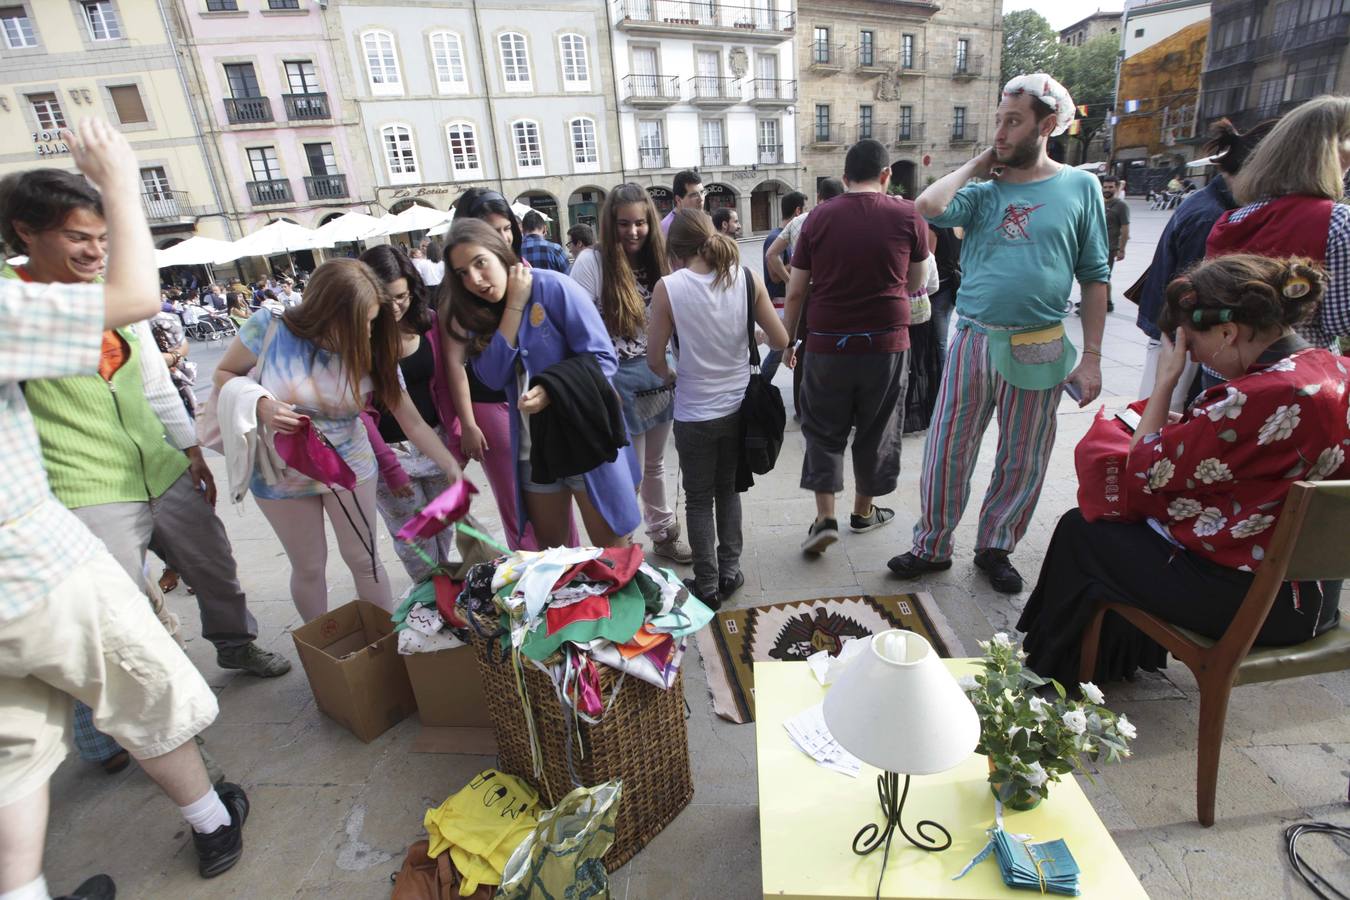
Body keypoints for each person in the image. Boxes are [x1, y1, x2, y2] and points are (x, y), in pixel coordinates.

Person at [0, 119, 248, 900]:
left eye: (102, 235)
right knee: (141, 683)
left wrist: (187, 449)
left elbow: (146, 379)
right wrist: (120, 176)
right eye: (78, 236)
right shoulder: (16, 303)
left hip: (143, 474)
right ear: (24, 237)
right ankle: (213, 819)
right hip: (46, 541)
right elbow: (136, 294)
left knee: (14, 753)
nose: (95, 249)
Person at [1018, 254, 1347, 686]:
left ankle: (1055, 676)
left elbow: (1143, 471)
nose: (1193, 355)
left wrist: (1166, 381)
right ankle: (1106, 662)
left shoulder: (1254, 395)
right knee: (1123, 535)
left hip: (1254, 605)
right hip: (1314, 598)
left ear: (1228, 333)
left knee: (1084, 530)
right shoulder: (1331, 367)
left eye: (1192, 344)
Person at [888, 73, 1110, 594]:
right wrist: (978, 162)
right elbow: (928, 207)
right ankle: (932, 545)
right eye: (998, 121)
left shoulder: (1082, 186)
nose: (1001, 132)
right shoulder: (984, 192)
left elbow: (1095, 275)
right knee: (946, 447)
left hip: (1040, 341)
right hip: (973, 337)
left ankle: (996, 546)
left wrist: (1094, 356)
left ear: (1047, 126)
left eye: (1013, 122)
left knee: (1024, 453)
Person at [213, 259, 463, 621]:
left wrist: (448, 464)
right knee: (310, 566)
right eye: (360, 321)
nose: (367, 331)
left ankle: (383, 650)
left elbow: (412, 420)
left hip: (351, 464)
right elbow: (224, 374)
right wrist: (261, 404)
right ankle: (323, 654)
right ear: (326, 310)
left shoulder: (374, 345)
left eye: (373, 321)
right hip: (282, 468)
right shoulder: (269, 327)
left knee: (364, 558)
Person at [443, 218, 641, 547]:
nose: (475, 280)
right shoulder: (481, 312)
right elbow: (491, 376)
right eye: (463, 273)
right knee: (554, 564)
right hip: (533, 452)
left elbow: (604, 358)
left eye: (480, 263)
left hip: (585, 439)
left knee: (615, 560)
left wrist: (552, 389)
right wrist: (514, 306)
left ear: (500, 251)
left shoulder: (553, 287)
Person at [782, 139, 929, 554]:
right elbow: (915, 283)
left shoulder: (817, 218)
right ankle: (863, 512)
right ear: (886, 175)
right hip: (886, 343)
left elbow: (795, 291)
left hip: (827, 344)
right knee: (877, 426)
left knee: (823, 428)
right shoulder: (907, 214)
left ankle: (825, 517)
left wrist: (788, 341)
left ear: (844, 178)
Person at [648, 210, 787, 606]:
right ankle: (730, 572)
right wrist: (748, 338)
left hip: (694, 413)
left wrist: (675, 377)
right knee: (728, 491)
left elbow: (655, 359)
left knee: (697, 498)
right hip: (738, 408)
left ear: (675, 251)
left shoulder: (668, 288)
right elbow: (780, 338)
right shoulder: (744, 278)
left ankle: (706, 586)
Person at [571, 184, 692, 563]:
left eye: (640, 222)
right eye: (624, 223)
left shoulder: (661, 256)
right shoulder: (592, 263)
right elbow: (576, 327)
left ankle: (663, 533)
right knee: (628, 473)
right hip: (614, 380)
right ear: (610, 223)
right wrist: (601, 385)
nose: (634, 231)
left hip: (658, 373)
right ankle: (622, 546)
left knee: (654, 464)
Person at [1135, 118, 1275, 410]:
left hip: (1182, 336)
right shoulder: (1211, 217)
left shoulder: (1211, 203)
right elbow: (1190, 294)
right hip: (1182, 339)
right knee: (1161, 418)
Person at [1206, 95, 1350, 353]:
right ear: (1334, 153)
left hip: (1228, 365)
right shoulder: (1337, 221)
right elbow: (1340, 321)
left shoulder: (1235, 217)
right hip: (1298, 373)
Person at [358, 245, 467, 582]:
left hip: (434, 439)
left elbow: (449, 383)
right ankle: (430, 597)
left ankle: (442, 593)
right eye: (384, 299)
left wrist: (456, 442)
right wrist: (388, 466)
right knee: (413, 540)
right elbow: (366, 412)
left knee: (442, 528)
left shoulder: (429, 323)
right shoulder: (360, 335)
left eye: (401, 296)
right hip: (388, 452)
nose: (394, 306)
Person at [441, 188, 540, 550]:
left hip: (536, 397)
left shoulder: (528, 273)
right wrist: (467, 424)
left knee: (552, 492)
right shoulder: (459, 292)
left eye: (505, 229)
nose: (500, 239)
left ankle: (568, 571)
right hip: (491, 404)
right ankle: (530, 578)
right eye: (488, 230)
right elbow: (454, 363)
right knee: (515, 498)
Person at [766, 178, 846, 418]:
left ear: (819, 197)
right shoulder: (846, 219)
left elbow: (772, 254)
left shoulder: (801, 221)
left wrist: (789, 278)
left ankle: (803, 408)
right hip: (837, 292)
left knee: (803, 348)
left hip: (806, 290)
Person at [759, 191, 806, 385]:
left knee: (781, 349)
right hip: (778, 302)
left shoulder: (784, 237)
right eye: (805, 209)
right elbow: (774, 276)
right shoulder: (775, 238)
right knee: (779, 349)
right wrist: (799, 261)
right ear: (798, 211)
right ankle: (760, 385)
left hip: (783, 301)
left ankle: (761, 385)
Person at [1100, 174, 1129, 314]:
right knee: (1095, 275)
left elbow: (1125, 228)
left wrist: (1121, 249)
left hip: (1110, 247)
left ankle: (1106, 302)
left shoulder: (1121, 205)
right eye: (1105, 187)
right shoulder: (1099, 202)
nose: (1107, 189)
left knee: (1103, 276)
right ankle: (1101, 301)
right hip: (1096, 246)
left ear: (1116, 188)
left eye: (1111, 187)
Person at [660, 170, 705, 235]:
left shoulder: (701, 220)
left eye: (702, 192)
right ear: (678, 200)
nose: (701, 199)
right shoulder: (668, 227)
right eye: (694, 195)